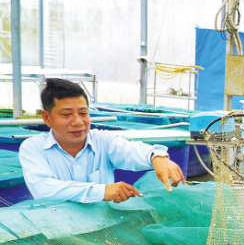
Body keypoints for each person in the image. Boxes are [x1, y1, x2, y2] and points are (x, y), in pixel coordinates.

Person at [18, 78, 185, 204]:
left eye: (83, 113)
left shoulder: (104, 140)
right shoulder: (33, 148)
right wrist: (101, 191)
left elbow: (131, 151)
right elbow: (44, 190)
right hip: (56, 231)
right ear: (47, 118)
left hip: (103, 230)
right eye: (66, 115)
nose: (77, 122)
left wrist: (157, 157)